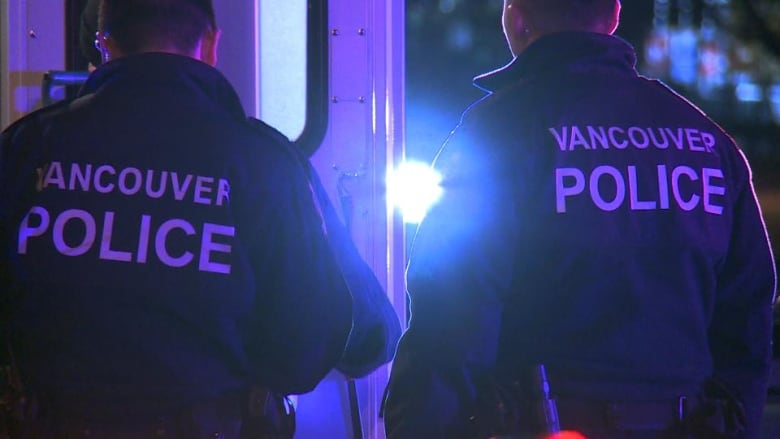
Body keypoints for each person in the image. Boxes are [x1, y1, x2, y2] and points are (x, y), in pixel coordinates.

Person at [383, 1, 776, 438]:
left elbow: (452, 315)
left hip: (544, 424)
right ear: (613, 16)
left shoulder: (498, 133)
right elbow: (748, 319)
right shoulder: (706, 141)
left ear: (516, 18)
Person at [0, 0, 355, 437]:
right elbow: (307, 347)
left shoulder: (26, 147)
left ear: (104, 44)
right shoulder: (262, 161)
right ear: (210, 44)